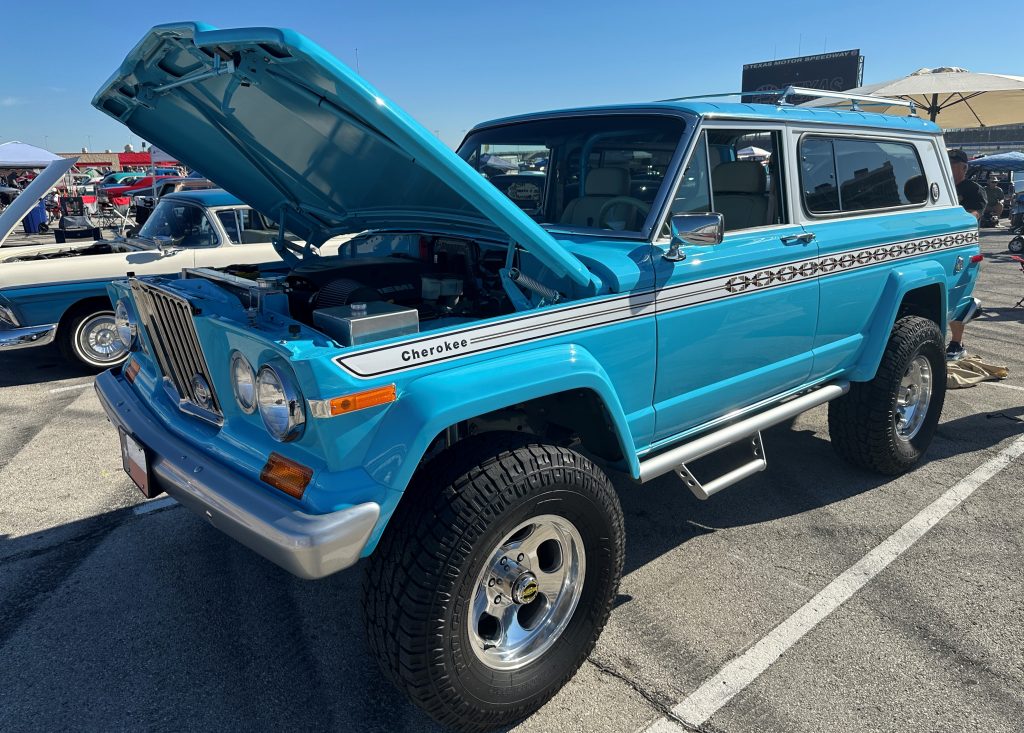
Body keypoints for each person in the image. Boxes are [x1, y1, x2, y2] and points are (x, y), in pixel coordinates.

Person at [946, 149, 986, 361]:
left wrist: (957, 222)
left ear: (964, 167)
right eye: (947, 162)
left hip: (963, 246)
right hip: (940, 245)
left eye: (954, 164)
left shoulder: (972, 189)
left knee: (958, 294)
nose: (950, 167)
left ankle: (957, 343)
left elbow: (976, 213)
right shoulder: (941, 187)